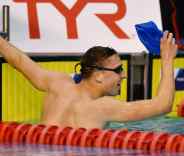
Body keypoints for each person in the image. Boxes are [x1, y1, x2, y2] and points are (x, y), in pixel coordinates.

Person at [0, 31, 177, 129]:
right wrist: (167, 60)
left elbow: (19, 60)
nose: (123, 75)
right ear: (98, 75)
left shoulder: (57, 84)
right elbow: (162, 105)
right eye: (118, 70)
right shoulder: (101, 107)